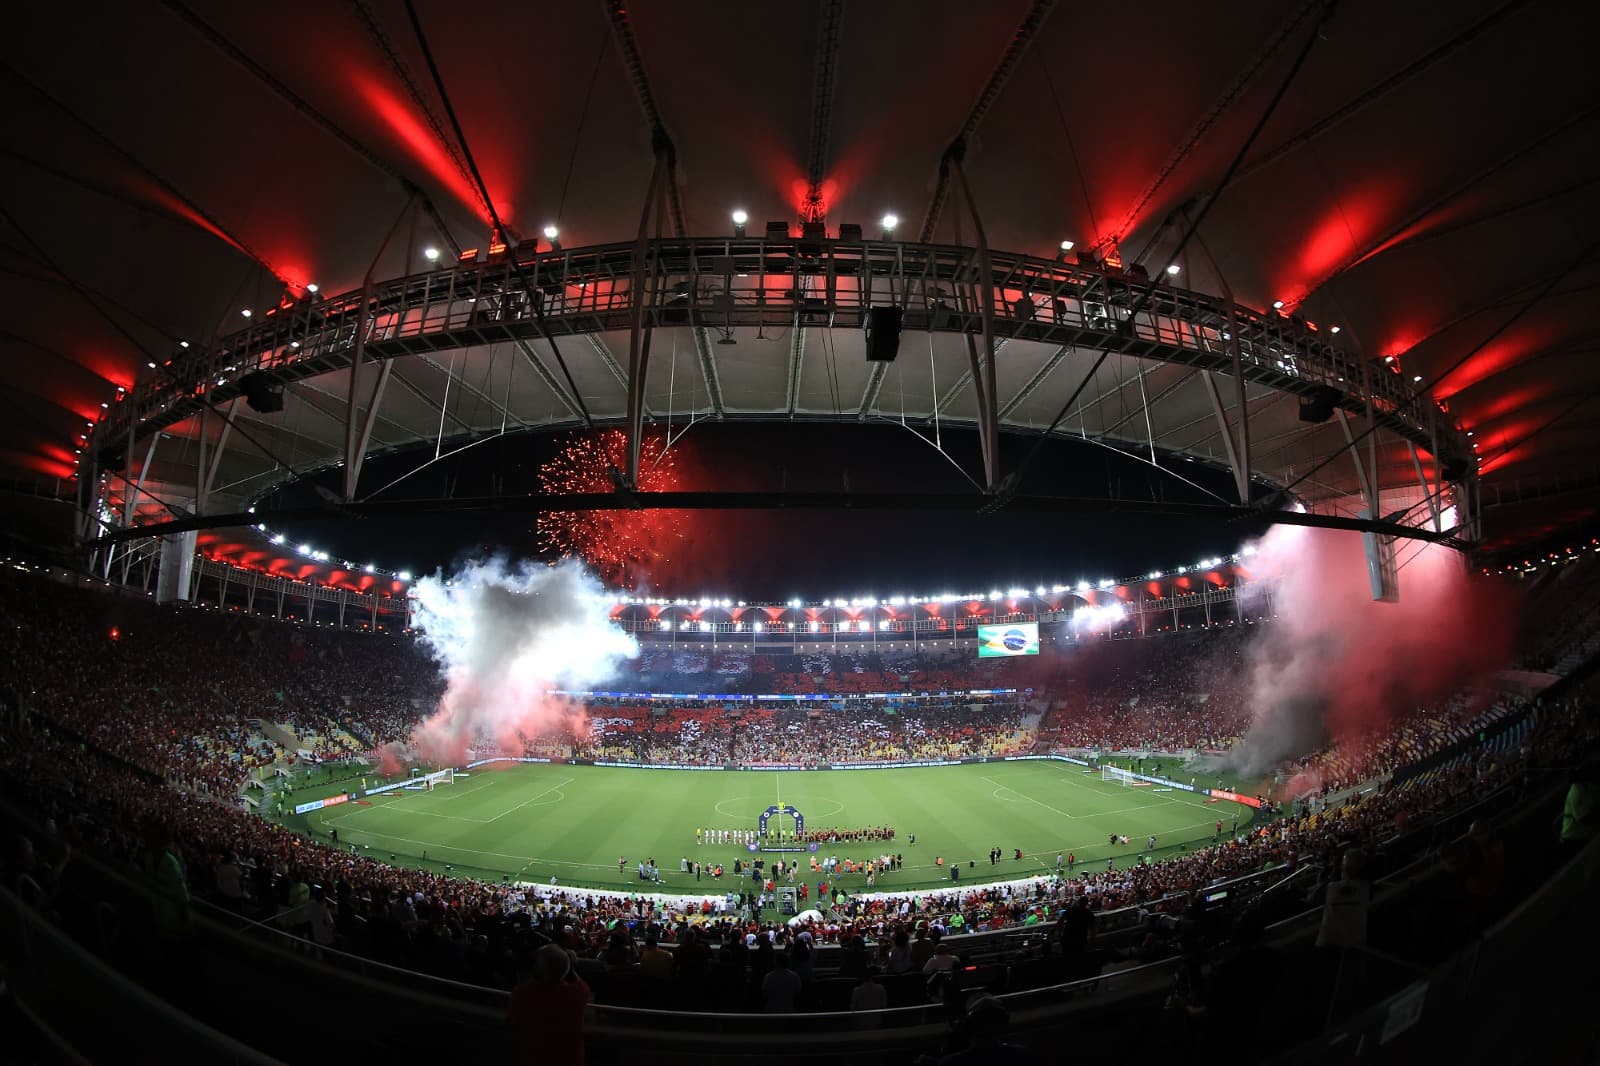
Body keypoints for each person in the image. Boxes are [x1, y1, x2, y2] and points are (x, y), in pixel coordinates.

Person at [509, 944, 590, 1066]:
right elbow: (578, 981)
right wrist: (569, 966)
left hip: (533, 1059)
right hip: (570, 1060)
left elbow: (512, 1022)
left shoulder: (521, 994)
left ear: (537, 969)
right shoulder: (579, 992)